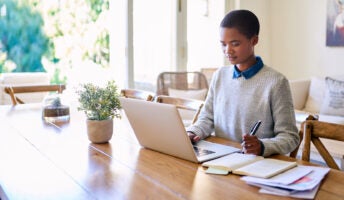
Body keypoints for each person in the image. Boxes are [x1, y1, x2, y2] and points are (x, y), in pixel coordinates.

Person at [186, 9, 299, 157]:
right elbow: (207, 118)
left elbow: (290, 137)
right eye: (223, 44)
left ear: (254, 41)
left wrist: (262, 146)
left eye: (235, 44)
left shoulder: (277, 82)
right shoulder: (219, 75)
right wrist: (192, 132)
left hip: (254, 163)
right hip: (218, 157)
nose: (228, 51)